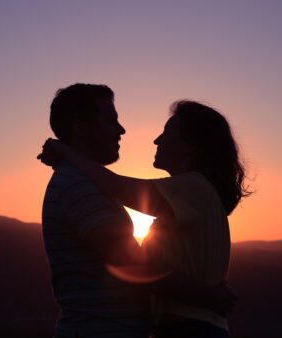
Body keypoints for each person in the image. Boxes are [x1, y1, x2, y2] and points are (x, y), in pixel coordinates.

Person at [40, 99, 251, 337]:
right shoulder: (191, 196)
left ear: (189, 146)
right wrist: (206, 294)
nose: (157, 140)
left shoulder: (195, 188)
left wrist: (65, 152)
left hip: (190, 328)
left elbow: (115, 185)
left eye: (167, 133)